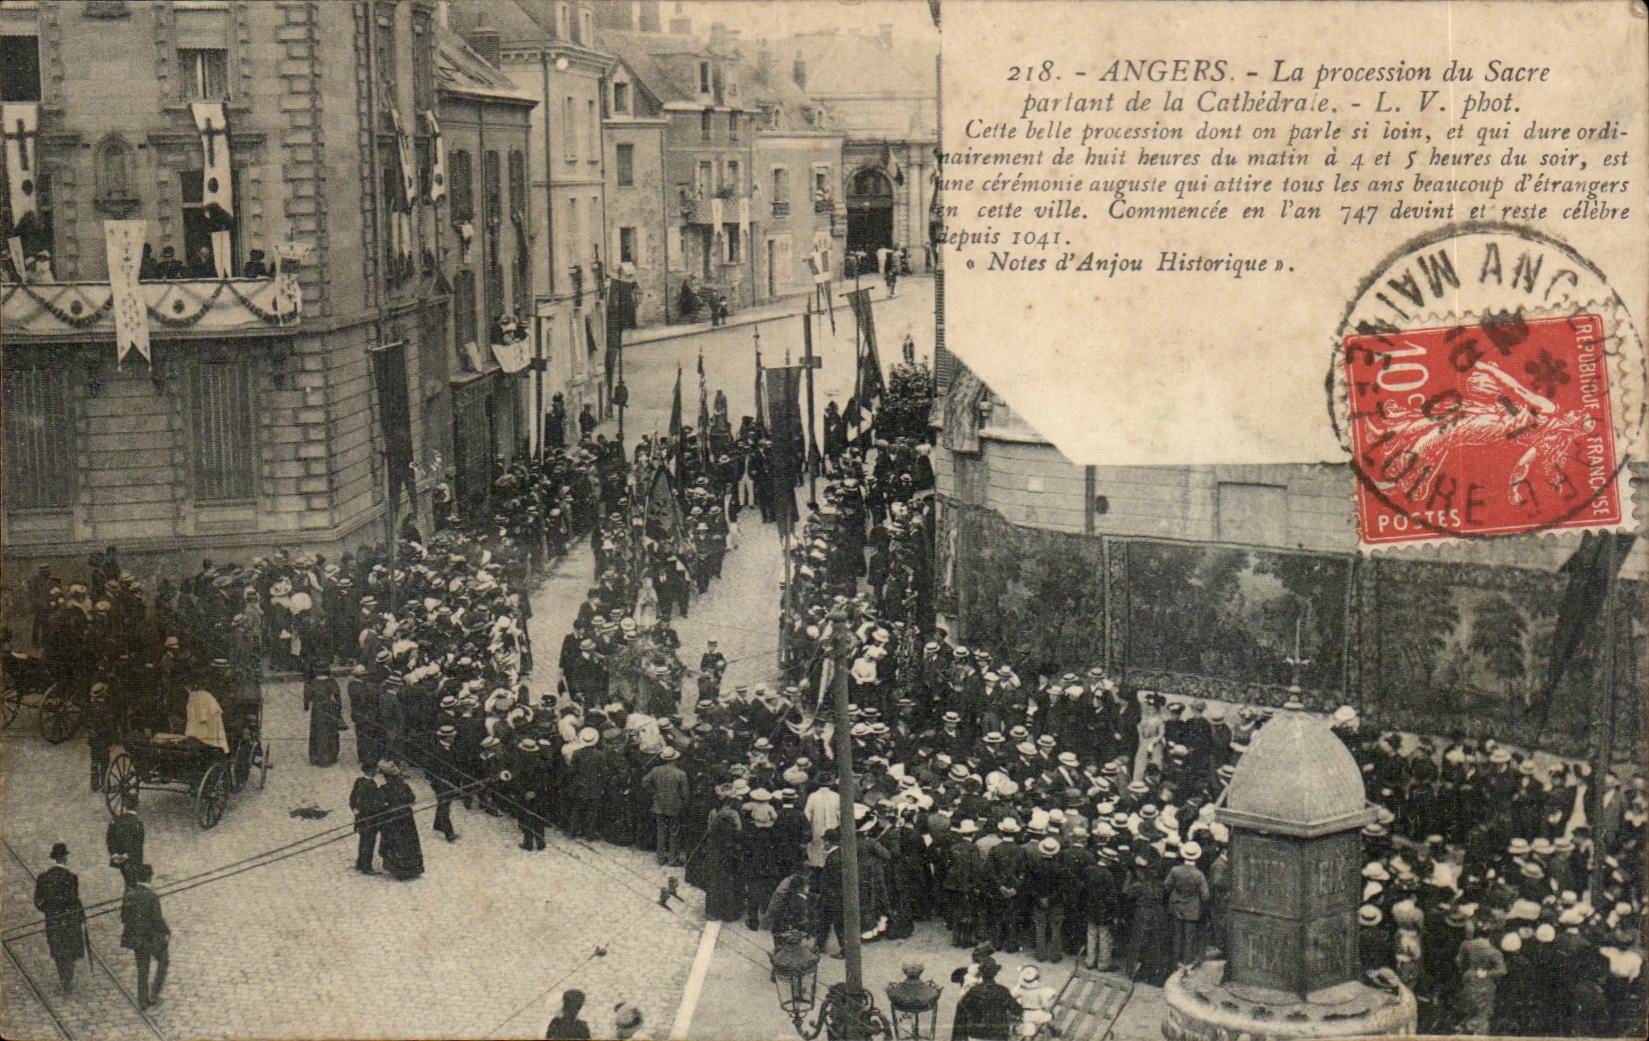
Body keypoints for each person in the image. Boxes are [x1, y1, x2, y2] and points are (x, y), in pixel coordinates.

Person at [32, 842, 85, 995]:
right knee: (69, 948)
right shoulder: (71, 877)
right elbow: (74, 899)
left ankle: (64, 977)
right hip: (69, 920)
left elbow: (38, 901)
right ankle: (68, 978)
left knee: (57, 948)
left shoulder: (43, 877)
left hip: (53, 920)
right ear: (64, 858)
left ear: (53, 858)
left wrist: (49, 911)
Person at [120, 863, 170, 1010]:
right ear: (149, 877)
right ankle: (154, 994)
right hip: (150, 937)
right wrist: (167, 931)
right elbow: (157, 920)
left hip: (136, 938)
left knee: (142, 968)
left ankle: (142, 1000)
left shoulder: (128, 894)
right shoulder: (152, 896)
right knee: (164, 960)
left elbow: (123, 917)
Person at [951, 956, 1022, 1041]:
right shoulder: (1002, 991)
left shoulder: (973, 991)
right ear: (995, 973)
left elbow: (963, 1005)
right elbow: (1016, 1010)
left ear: (981, 973)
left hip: (977, 1034)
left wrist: (976, 1013)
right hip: (998, 1035)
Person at [375, 760, 424, 880]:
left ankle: (399, 869)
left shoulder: (384, 789)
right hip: (406, 818)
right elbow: (412, 799)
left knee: (394, 842)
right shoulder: (405, 786)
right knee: (408, 842)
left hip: (392, 819)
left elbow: (379, 803)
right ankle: (412, 868)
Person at [642, 746, 690, 866]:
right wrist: (684, 803)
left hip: (658, 805)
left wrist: (654, 793)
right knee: (674, 833)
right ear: (674, 759)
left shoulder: (655, 770)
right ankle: (672, 859)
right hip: (674, 806)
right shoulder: (680, 774)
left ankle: (660, 858)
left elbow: (644, 782)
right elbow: (685, 793)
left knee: (661, 832)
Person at [304, 664, 342, 766]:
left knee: (317, 730)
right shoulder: (331, 682)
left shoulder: (312, 683)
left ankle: (316, 756)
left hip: (317, 710)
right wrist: (338, 710)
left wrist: (307, 704)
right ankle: (329, 756)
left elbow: (307, 697)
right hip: (330, 709)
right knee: (329, 731)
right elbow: (337, 696)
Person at [106, 794, 147, 889]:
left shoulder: (115, 820)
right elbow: (138, 844)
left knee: (127, 882)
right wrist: (128, 855)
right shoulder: (138, 823)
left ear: (124, 805)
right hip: (133, 860)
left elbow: (110, 838)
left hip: (119, 859)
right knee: (133, 885)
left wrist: (115, 854)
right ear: (137, 806)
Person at [349, 761, 383, 873]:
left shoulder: (359, 781)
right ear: (371, 771)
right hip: (370, 819)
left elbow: (352, 797)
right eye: (375, 769)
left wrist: (354, 808)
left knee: (363, 840)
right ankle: (366, 866)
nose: (377, 771)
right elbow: (372, 804)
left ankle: (360, 862)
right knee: (369, 842)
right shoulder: (371, 785)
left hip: (360, 818)